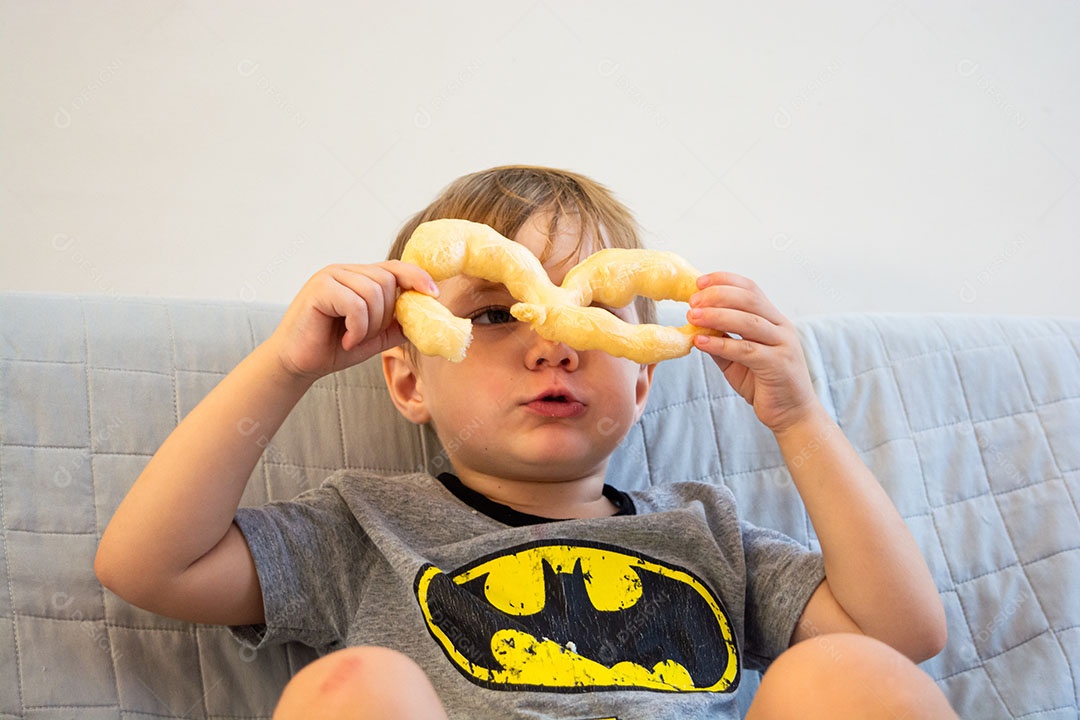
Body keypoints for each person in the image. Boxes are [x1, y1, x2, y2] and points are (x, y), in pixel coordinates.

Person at [96, 165, 958, 719]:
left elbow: (901, 634)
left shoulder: (706, 531)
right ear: (407, 379)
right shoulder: (365, 529)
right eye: (498, 314)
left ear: (644, 377)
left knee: (840, 673)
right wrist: (286, 369)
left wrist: (799, 416)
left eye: (597, 318)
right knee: (353, 690)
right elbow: (148, 566)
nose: (554, 342)